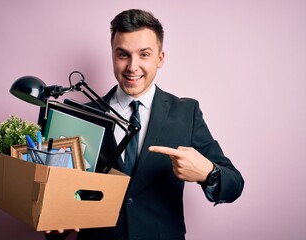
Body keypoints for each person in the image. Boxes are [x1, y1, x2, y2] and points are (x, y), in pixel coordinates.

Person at [45, 8, 244, 240]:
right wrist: (55, 219)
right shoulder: (84, 115)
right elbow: (64, 198)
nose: (132, 66)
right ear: (112, 55)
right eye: (123, 55)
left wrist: (208, 173)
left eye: (144, 54)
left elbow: (234, 184)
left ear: (160, 58)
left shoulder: (186, 113)